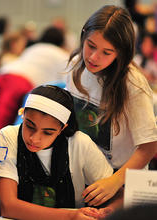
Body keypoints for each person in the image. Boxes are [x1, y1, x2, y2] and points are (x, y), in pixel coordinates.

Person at [66, 5, 157, 208]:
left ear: (121, 54)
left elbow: (149, 146)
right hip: (84, 175)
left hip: (122, 180)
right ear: (83, 37)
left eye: (106, 52)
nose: (93, 57)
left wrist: (114, 183)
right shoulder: (76, 64)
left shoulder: (132, 84)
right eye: (90, 45)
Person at [0, 85, 124, 220]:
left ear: (62, 128)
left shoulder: (79, 143)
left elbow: (119, 194)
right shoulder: (8, 137)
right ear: (23, 114)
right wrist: (71, 216)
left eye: (48, 132)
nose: (34, 139)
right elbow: (9, 207)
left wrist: (109, 210)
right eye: (29, 125)